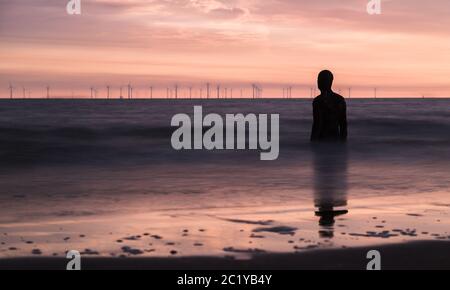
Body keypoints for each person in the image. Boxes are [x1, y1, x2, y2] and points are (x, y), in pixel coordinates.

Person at [311, 70, 347, 141]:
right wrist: (343, 143)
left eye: (320, 79)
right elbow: (343, 125)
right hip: (336, 140)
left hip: (321, 141)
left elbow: (317, 124)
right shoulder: (340, 99)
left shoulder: (318, 101)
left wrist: (313, 143)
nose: (318, 82)